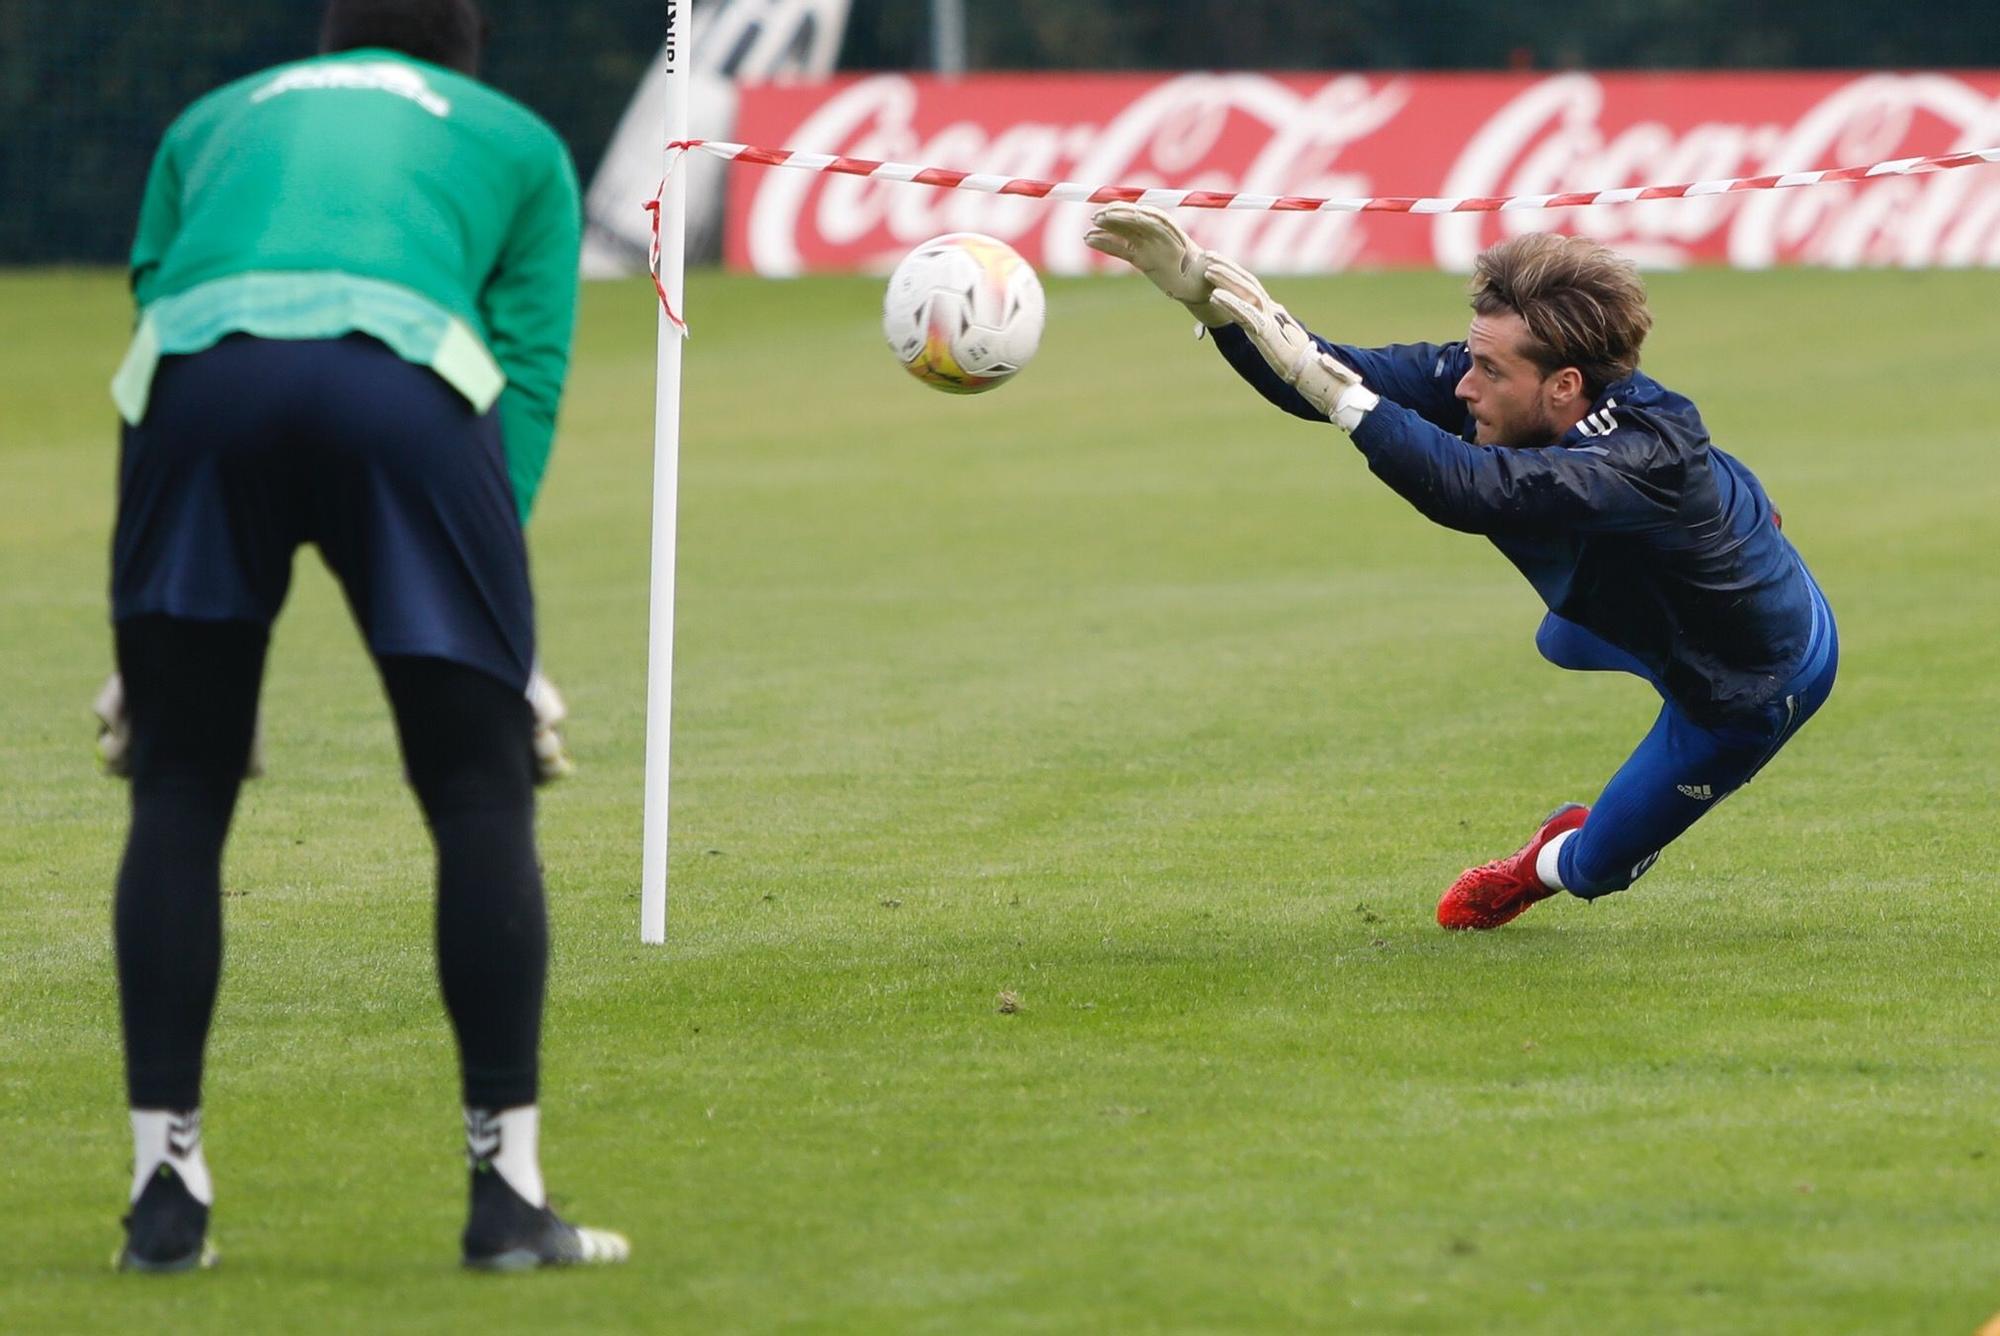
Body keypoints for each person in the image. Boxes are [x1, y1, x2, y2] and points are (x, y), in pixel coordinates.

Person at [106, 0, 626, 1271]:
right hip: (399, 378)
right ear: (469, 45)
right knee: (474, 788)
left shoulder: (212, 117)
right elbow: (529, 371)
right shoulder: (513, 138)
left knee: (178, 779)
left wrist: (141, 649)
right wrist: (501, 642)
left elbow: (161, 311)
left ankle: (163, 1201)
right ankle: (506, 1202)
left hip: (193, 384)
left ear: (334, 43)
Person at [1085, 207, 1836, 930]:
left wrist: (1341, 394)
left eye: (1487, 369)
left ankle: (1543, 859)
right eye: (1470, 357)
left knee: (1595, 871)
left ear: (1564, 385)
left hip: (1746, 686)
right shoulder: (1510, 387)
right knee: (1564, 636)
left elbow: (1472, 488)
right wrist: (1213, 306)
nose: (1463, 386)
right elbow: (1324, 372)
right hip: (1632, 606)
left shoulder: (1648, 454)